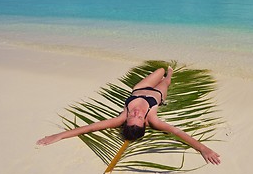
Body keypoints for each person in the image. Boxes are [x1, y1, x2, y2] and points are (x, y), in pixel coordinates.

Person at [37, 67, 221, 165]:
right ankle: (170, 72)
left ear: (126, 120)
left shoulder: (121, 118)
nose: (136, 113)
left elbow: (91, 127)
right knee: (165, 78)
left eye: (133, 115)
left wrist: (59, 135)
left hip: (139, 89)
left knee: (158, 70)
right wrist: (203, 148)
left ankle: (166, 70)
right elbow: (178, 132)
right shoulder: (153, 119)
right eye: (138, 117)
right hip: (157, 95)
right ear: (145, 122)